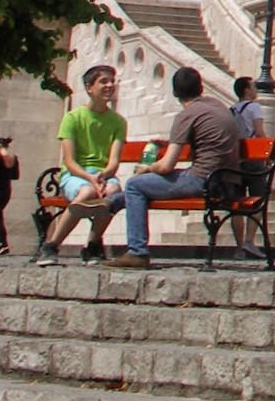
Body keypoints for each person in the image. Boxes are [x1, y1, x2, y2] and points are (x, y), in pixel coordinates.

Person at [102, 66, 242, 270]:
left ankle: (137, 252)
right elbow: (206, 139)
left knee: (134, 185)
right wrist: (169, 144)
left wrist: (146, 169)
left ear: (175, 93)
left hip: (203, 181)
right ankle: (110, 201)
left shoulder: (186, 115)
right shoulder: (216, 105)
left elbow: (167, 166)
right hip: (227, 181)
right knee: (144, 188)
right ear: (201, 88)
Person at [36, 65, 127, 266]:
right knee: (86, 193)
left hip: (103, 174)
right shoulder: (72, 118)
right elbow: (69, 161)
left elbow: (113, 162)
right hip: (76, 174)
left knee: (113, 191)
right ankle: (51, 245)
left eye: (112, 81)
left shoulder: (119, 122)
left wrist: (102, 176)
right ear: (89, 87)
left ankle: (93, 244)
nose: (110, 85)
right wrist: (90, 179)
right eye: (104, 81)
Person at [229, 77, 266, 258]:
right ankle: (249, 241)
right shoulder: (254, 107)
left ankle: (238, 247)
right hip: (252, 159)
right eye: (253, 86)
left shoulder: (231, 109)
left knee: (237, 204)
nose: (256, 89)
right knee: (258, 200)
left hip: (236, 160)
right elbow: (259, 132)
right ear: (246, 90)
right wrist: (268, 152)